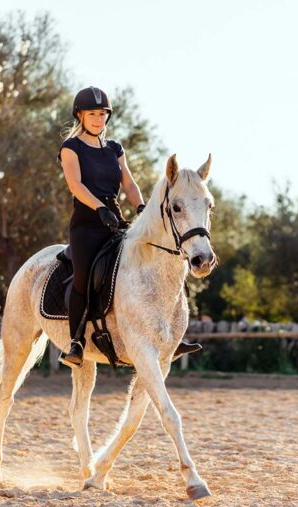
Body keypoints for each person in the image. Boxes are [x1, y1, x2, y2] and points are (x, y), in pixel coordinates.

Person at [57, 86, 199, 367]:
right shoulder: (70, 148)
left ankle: (170, 336)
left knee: (153, 263)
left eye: (102, 114)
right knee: (84, 278)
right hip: (87, 224)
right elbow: (76, 185)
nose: (98, 119)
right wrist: (98, 208)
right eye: (92, 114)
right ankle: (76, 342)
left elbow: (129, 184)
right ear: (80, 116)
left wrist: (142, 207)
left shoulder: (114, 149)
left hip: (115, 220)